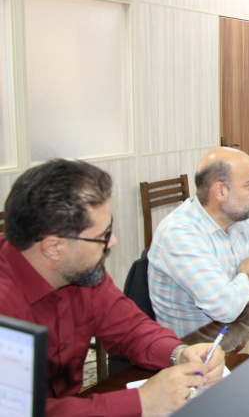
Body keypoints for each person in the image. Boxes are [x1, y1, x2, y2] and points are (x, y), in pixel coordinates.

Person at [0, 159, 225, 417]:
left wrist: (179, 353)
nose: (113, 242)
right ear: (53, 247)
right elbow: (15, 411)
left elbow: (129, 328)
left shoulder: (81, 273)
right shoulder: (6, 305)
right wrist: (142, 402)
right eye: (103, 235)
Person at [149, 147, 249, 337]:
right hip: (195, 348)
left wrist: (244, 294)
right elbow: (226, 309)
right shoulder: (180, 234)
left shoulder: (239, 219)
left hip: (234, 335)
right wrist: (246, 275)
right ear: (220, 191)